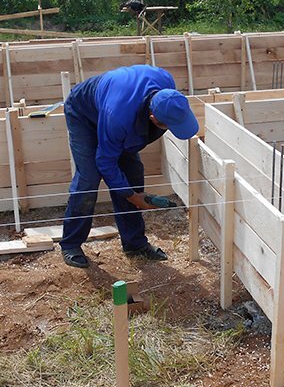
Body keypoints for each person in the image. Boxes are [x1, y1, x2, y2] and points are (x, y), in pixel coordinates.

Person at [60, 65, 199, 268]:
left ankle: (134, 244)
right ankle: (71, 244)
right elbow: (105, 161)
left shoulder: (167, 86)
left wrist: (130, 191)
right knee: (89, 178)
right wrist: (133, 197)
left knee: (133, 172)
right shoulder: (119, 118)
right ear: (153, 118)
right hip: (84, 113)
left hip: (117, 108)